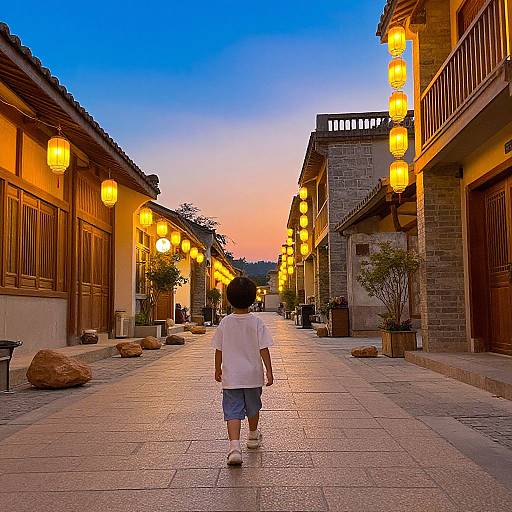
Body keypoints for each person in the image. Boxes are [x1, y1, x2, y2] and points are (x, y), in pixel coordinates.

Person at [211, 277, 274, 466]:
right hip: (253, 376)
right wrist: (269, 371)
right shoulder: (257, 323)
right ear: (253, 299)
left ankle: (234, 448)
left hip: (231, 377)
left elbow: (219, 349)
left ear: (229, 299)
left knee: (232, 411)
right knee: (253, 407)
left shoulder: (225, 323)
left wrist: (217, 368)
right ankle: (253, 436)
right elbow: (264, 349)